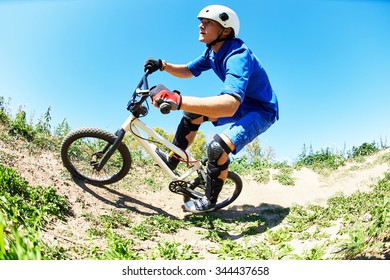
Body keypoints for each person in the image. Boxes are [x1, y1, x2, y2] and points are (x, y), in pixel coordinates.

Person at [144, 5, 279, 213]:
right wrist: (163, 64)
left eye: (208, 23)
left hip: (261, 111)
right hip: (241, 104)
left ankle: (209, 201)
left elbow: (230, 104)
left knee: (217, 147)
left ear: (225, 30)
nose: (201, 25)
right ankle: (174, 160)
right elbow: (188, 70)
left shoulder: (237, 55)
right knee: (192, 114)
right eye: (201, 22)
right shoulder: (212, 53)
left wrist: (178, 100)